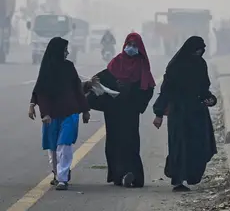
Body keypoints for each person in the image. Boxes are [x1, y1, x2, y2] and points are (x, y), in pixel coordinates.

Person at [152, 36, 217, 192]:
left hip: (197, 111)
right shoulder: (175, 66)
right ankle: (178, 180)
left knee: (199, 145)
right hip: (179, 112)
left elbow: (203, 88)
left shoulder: (201, 64)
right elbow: (166, 90)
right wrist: (159, 113)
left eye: (200, 51)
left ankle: (192, 176)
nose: (198, 53)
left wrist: (210, 99)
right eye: (195, 50)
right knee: (179, 146)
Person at [91, 32, 155, 187]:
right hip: (113, 110)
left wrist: (133, 96)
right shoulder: (116, 62)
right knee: (113, 141)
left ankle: (133, 174)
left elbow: (148, 88)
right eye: (129, 45)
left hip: (130, 111)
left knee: (130, 141)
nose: (131, 48)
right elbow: (101, 80)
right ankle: (118, 175)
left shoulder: (142, 66)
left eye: (134, 46)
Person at [28, 37, 91, 191]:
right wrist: (36, 108)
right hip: (51, 114)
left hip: (69, 112)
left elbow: (77, 89)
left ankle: (63, 178)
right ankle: (57, 174)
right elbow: (40, 90)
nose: (67, 53)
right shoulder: (46, 69)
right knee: (52, 146)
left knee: (65, 144)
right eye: (65, 50)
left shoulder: (69, 67)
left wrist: (85, 110)